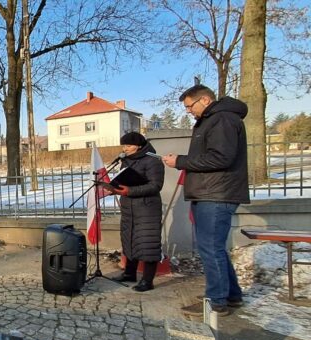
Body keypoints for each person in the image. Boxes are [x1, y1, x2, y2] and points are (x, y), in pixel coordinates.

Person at [162, 84, 249, 316]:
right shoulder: (213, 120)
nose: (188, 110)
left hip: (217, 193)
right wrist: (183, 160)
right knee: (214, 248)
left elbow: (221, 158)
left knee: (211, 249)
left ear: (205, 100)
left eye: (190, 106)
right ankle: (231, 295)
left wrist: (180, 161)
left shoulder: (222, 120)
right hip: (210, 192)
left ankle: (216, 302)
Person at [107, 132, 165, 292]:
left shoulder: (153, 160)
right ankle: (129, 273)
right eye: (123, 146)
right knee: (129, 240)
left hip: (147, 208)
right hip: (129, 207)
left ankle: (147, 280)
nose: (125, 149)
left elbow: (155, 186)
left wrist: (130, 191)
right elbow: (125, 180)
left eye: (128, 146)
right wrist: (114, 189)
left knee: (148, 243)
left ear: (139, 146)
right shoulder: (126, 161)